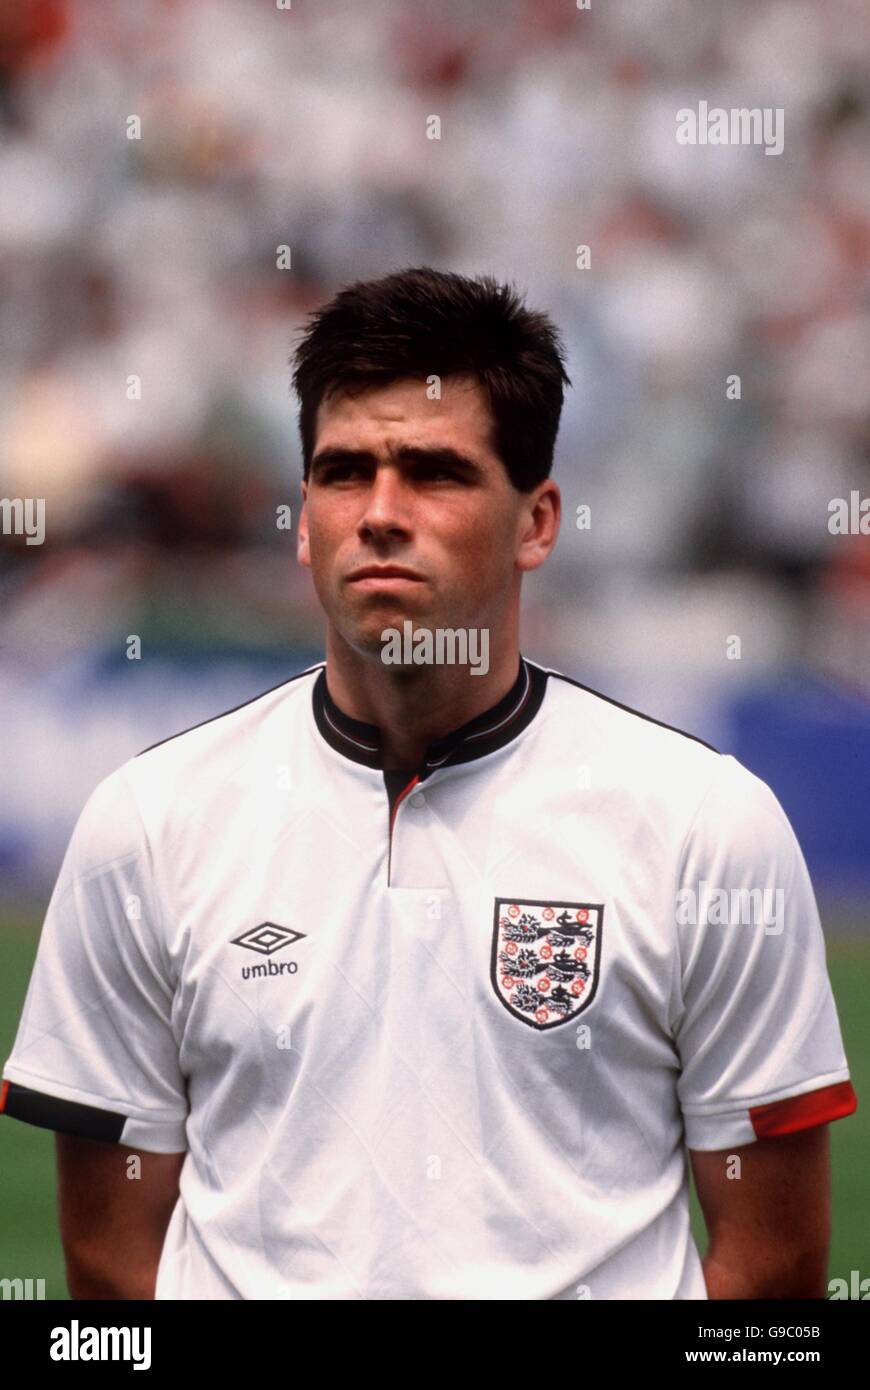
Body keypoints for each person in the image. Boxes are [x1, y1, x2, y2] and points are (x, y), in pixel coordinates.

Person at [1, 266, 857, 1300]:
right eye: (345, 471)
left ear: (537, 522)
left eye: (436, 473)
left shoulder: (706, 826)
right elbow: (108, 1264)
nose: (381, 513)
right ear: (305, 517)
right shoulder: (147, 822)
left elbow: (776, 1270)